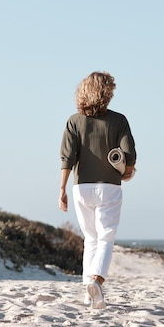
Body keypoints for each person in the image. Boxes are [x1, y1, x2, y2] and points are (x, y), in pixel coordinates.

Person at [59, 71, 136, 310]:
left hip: (81, 187)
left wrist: (61, 188)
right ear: (108, 93)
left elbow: (67, 157)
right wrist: (128, 170)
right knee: (106, 238)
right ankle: (96, 281)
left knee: (90, 240)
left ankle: (88, 294)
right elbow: (129, 155)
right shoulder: (119, 120)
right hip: (109, 187)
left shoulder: (74, 121)